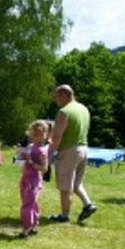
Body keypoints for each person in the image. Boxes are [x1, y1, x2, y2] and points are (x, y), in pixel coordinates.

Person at [48, 85, 97, 224]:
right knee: (76, 183)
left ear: (65, 95)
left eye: (56, 96)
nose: (55, 99)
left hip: (69, 150)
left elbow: (57, 136)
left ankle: (64, 215)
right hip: (84, 148)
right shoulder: (84, 109)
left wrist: (49, 154)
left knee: (65, 186)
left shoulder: (64, 112)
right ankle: (88, 204)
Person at [19, 120, 49, 239]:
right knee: (31, 203)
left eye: (41, 134)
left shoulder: (42, 151)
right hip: (25, 178)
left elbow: (44, 168)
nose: (37, 137)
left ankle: (26, 229)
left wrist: (31, 162)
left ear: (45, 135)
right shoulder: (31, 146)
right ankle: (34, 226)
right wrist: (22, 156)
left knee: (27, 204)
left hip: (34, 180)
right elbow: (25, 157)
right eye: (34, 134)